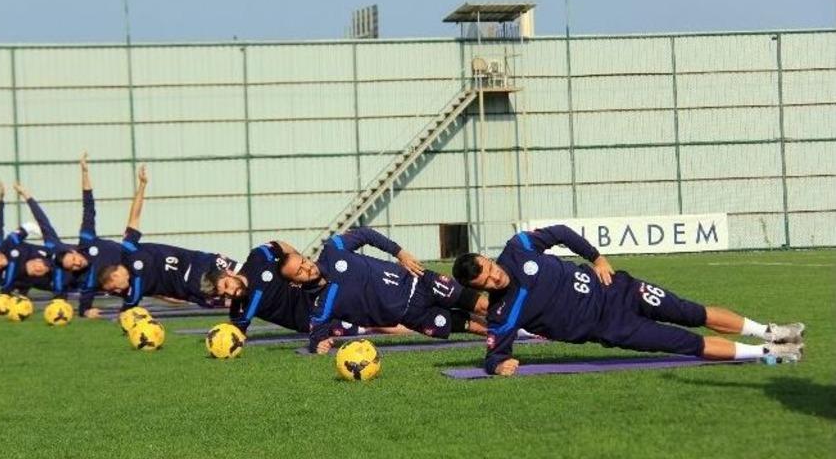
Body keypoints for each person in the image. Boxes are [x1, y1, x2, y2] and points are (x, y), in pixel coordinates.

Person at [451, 224, 805, 376]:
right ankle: (768, 352)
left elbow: (561, 233)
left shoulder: (518, 247)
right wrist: (498, 366)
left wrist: (597, 259)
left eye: (489, 268)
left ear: (487, 258)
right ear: (478, 287)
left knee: (691, 311)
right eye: (485, 280)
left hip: (619, 289)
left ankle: (769, 331)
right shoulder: (502, 314)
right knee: (685, 343)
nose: (494, 276)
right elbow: (494, 355)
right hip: (613, 326)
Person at [278, 227, 488, 354]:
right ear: (295, 284)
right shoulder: (321, 306)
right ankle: (504, 335)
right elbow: (316, 336)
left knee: (482, 305)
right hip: (413, 316)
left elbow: (365, 234)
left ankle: (508, 314)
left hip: (418, 281)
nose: (307, 268)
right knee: (474, 327)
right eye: (299, 272)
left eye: (304, 261)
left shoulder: (333, 250)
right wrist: (320, 345)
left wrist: (400, 253)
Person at [201, 239, 410, 336]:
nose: (230, 292)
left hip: (318, 293)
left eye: (226, 285)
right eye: (224, 294)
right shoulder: (239, 310)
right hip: (309, 321)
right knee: (373, 325)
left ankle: (413, 306)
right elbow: (234, 335)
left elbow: (279, 245)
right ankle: (416, 327)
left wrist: (299, 261)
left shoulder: (257, 258)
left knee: (372, 300)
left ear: (229, 273)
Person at [98, 165, 237, 310]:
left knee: (243, 276)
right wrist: (178, 299)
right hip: (191, 292)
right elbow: (159, 294)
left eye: (114, 288)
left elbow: (134, 217)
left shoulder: (128, 250)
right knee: (233, 302)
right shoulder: (134, 290)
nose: (117, 291)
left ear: (115, 276)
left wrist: (142, 185)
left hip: (196, 264)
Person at [11, 154, 122, 317]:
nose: (77, 263)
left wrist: (84, 172)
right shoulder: (77, 277)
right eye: (73, 267)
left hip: (138, 257)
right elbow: (78, 300)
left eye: (74, 259)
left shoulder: (78, 241)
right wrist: (85, 312)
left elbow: (87, 207)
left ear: (73, 251)